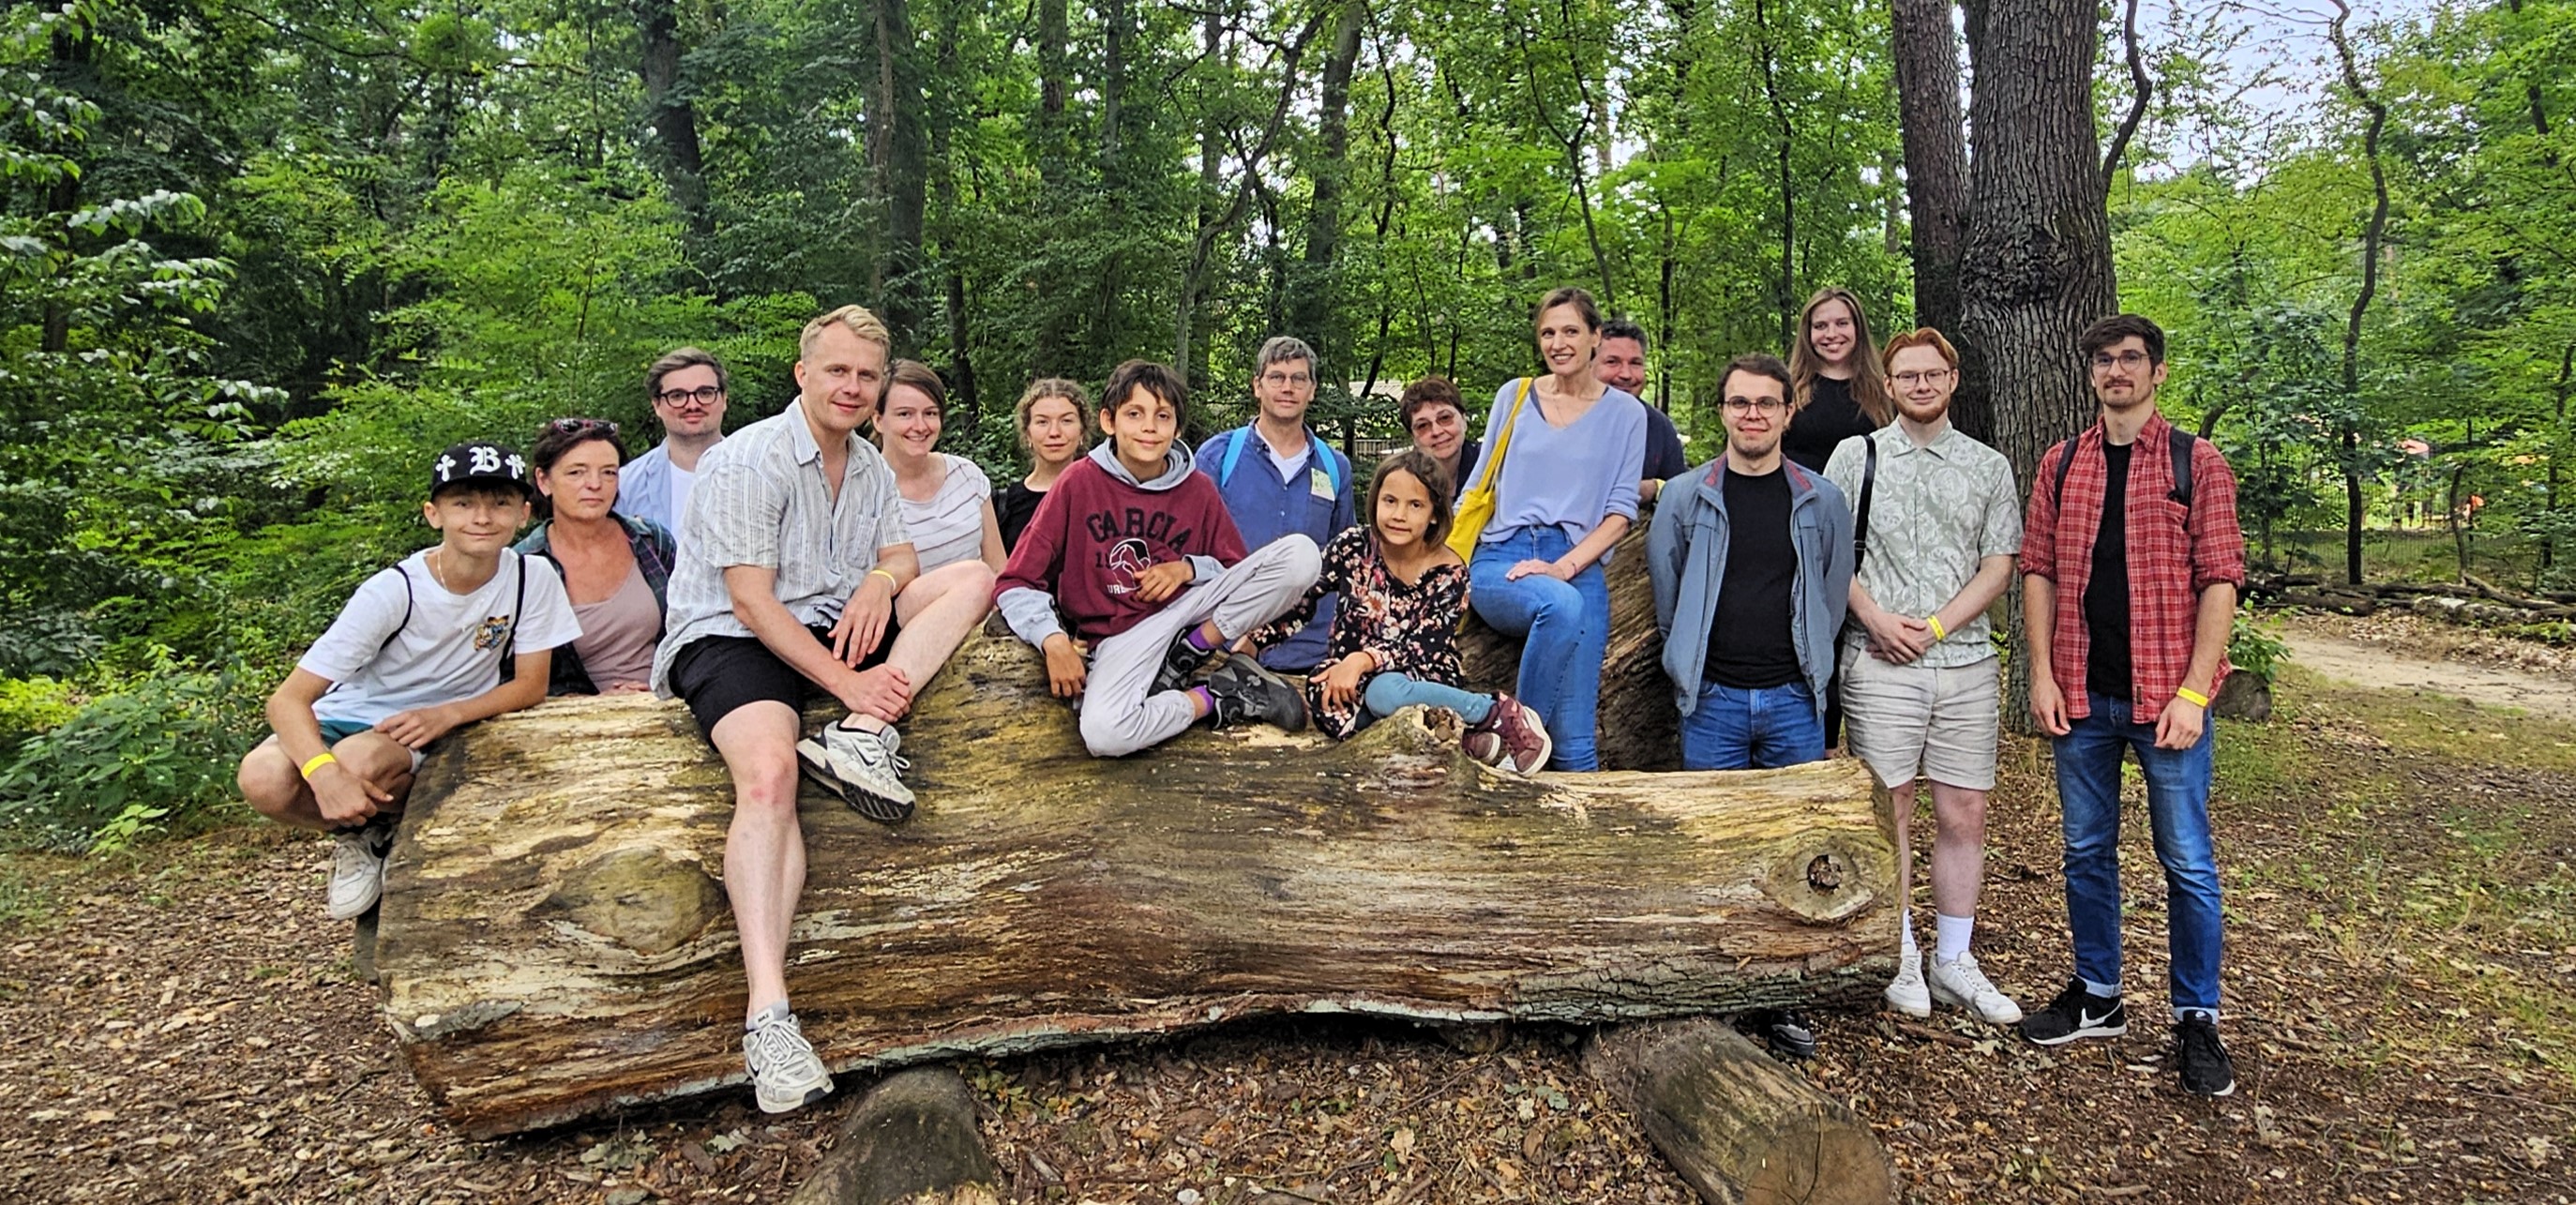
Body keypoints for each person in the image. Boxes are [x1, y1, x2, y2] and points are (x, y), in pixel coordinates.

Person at [651, 304, 997, 1115]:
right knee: (769, 777)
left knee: (974, 580)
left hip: (828, 622)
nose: (852, 386)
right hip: (732, 635)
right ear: (802, 374)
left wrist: (880, 583)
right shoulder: (748, 461)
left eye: (866, 375)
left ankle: (862, 738)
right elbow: (750, 600)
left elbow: (902, 552)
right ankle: (769, 1016)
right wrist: (849, 682)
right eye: (837, 370)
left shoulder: (870, 467)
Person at [2018, 313, 2247, 1098]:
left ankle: (2195, 1016)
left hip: (2165, 701)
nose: (2116, 371)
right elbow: (2039, 571)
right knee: (2085, 850)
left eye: (2130, 359)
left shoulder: (2196, 463)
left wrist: (2193, 690)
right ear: (2089, 375)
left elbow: (2220, 578)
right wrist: (2042, 675)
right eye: (2104, 361)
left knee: (2184, 860)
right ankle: (2098, 994)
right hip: (2081, 693)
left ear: (2156, 371)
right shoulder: (2061, 464)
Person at [235, 442, 580, 921]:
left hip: (428, 726)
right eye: (463, 503)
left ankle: (383, 826)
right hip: (348, 714)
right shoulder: (394, 590)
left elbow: (530, 686)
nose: (482, 517)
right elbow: (288, 700)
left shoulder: (531, 576)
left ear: (524, 513)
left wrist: (449, 713)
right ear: (433, 514)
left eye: (500, 503)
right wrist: (322, 773)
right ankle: (361, 836)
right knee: (263, 778)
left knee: (359, 759)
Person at [1822, 329, 2023, 1027]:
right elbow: (1828, 548)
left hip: (1963, 661)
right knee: (1893, 806)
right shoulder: (1858, 455)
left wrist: (1936, 626)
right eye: (1906, 374)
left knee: (1963, 811)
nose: (1919, 384)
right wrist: (1874, 617)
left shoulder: (1987, 466)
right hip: (1879, 661)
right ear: (1890, 383)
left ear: (1952, 379)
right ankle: (1899, 946)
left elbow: (1998, 563)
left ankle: (1954, 956)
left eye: (1931, 373)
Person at [996, 359, 1318, 758]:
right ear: (1108, 421)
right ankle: (1219, 695)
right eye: (1135, 414)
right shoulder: (1078, 482)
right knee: (1103, 734)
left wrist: (1187, 568)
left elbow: (1235, 570)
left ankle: (1194, 650)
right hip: (1118, 638)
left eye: (1162, 416)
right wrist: (1052, 641)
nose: (1149, 427)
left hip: (1188, 617)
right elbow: (1015, 581)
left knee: (1302, 555)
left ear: (1177, 428)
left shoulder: (1197, 488)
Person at [1254, 450, 1552, 772]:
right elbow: (1304, 598)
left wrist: (1362, 660)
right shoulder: (1353, 546)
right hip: (1356, 677)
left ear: (1434, 514)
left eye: (1415, 505)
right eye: (1390, 501)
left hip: (1419, 672)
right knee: (1324, 693)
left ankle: (1491, 711)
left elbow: (1422, 646)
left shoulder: (1450, 574)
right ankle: (1463, 741)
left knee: (1384, 694)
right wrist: (1255, 640)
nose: (1399, 515)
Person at [1460, 287, 1647, 772]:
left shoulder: (1626, 414)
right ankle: (1516, 730)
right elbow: (1478, 483)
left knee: (1576, 740)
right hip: (1502, 555)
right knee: (1558, 605)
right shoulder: (1515, 395)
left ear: (1595, 338)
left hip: (1577, 560)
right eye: (1548, 332)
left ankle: (1574, 841)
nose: (1558, 342)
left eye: (1570, 331)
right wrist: (1442, 565)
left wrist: (1563, 566)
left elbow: (1620, 511)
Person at [1646, 352, 1853, 773]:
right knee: (1712, 832)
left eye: (1767, 403)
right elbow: (1668, 596)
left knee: (1797, 831)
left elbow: (1832, 595)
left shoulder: (1823, 500)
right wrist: (1687, 661)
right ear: (1722, 411)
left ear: (1788, 412)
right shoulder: (1683, 498)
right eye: (1739, 403)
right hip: (1710, 701)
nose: (1752, 414)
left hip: (1795, 700)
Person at [1195, 336, 1356, 673]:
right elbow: (1191, 544)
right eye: (1276, 377)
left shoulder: (1334, 466)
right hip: (1225, 642)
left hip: (1309, 649)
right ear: (1257, 386)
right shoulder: (1220, 455)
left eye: (1299, 379)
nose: (1288, 387)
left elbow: (1344, 559)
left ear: (1312, 390)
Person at [516, 418, 677, 696]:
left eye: (608, 473)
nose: (594, 484)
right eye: (576, 473)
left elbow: (691, 629)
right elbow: (511, 677)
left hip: (668, 700)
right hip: (569, 720)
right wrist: (595, 702)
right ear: (544, 481)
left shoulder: (651, 541)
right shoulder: (525, 566)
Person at [877, 359, 1004, 574]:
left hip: (985, 603)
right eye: (905, 414)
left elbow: (999, 567)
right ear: (878, 420)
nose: (920, 426)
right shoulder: (865, 492)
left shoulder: (967, 475)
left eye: (930, 413)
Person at [617, 347, 730, 535]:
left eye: (705, 393)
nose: (692, 405)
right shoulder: (625, 485)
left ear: (724, 399)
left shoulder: (759, 474)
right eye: (677, 396)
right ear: (657, 406)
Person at [1781, 288, 1892, 474]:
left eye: (1842, 323)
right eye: (1820, 326)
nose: (1831, 334)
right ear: (1807, 333)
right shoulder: (1786, 390)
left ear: (1858, 328)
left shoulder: (1885, 388)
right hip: (1801, 499)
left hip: (1866, 500)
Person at [1594, 319, 1690, 502]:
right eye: (1612, 362)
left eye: (1635, 363)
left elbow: (1681, 497)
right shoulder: (1565, 418)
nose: (1626, 374)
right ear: (1588, 365)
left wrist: (1655, 488)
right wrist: (1634, 489)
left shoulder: (1659, 427)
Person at [997, 378, 1092, 552]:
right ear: (1028, 434)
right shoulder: (1003, 505)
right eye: (1042, 422)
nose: (1054, 432)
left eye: (1066, 421)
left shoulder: (1103, 496)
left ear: (1082, 432)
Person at [1400, 376, 1480, 501]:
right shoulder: (1404, 480)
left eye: (1445, 418)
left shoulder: (1492, 468)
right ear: (1413, 437)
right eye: (1423, 426)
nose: (1436, 432)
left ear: (1464, 421)